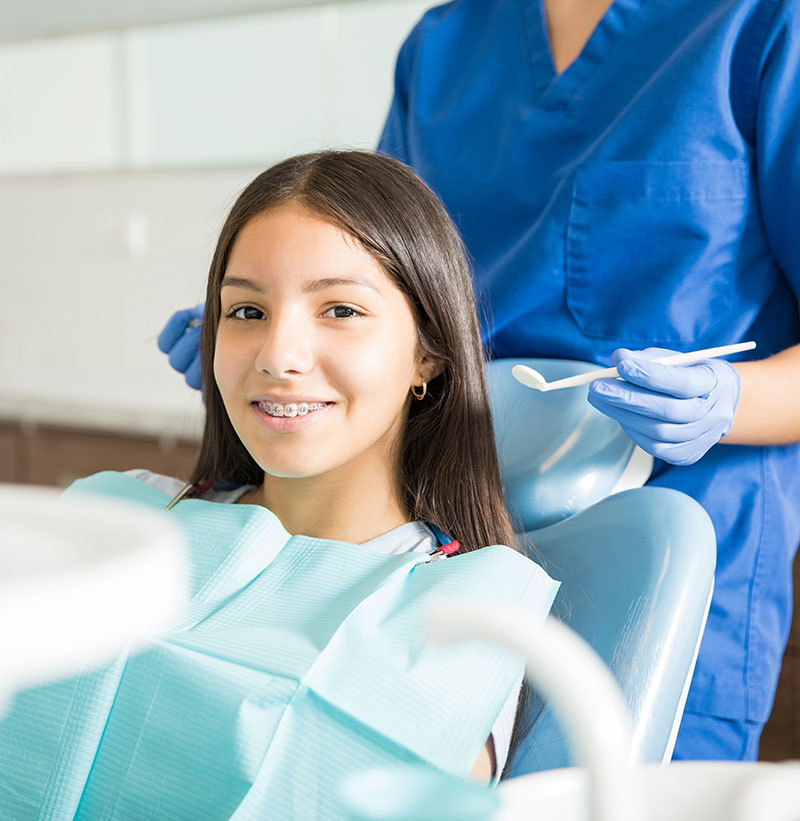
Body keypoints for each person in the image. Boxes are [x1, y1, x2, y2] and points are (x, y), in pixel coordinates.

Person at [159, 0, 800, 762]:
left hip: (674, 532)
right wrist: (277, 344)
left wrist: (732, 402)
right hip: (419, 522)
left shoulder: (759, 26)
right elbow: (375, 264)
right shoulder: (443, 46)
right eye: (244, 309)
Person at [0, 151, 558, 820]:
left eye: (341, 309)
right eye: (246, 312)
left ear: (427, 353)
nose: (277, 354)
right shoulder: (116, 517)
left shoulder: (462, 620)